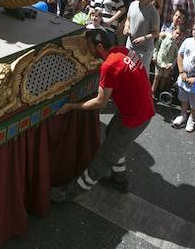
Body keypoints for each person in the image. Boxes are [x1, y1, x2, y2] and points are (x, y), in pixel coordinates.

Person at [51, 28, 154, 201]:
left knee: (104, 158)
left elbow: (100, 102)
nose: (86, 50)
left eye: (88, 46)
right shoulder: (122, 51)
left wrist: (72, 106)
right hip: (141, 110)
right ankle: (119, 180)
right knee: (112, 135)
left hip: (134, 118)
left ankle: (69, 193)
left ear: (99, 46)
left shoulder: (109, 65)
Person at [124, 0, 160, 71]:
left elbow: (156, 33)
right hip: (130, 45)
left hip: (144, 49)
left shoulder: (153, 12)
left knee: (140, 72)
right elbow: (128, 20)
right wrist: (126, 27)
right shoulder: (133, 4)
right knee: (129, 69)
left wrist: (144, 38)